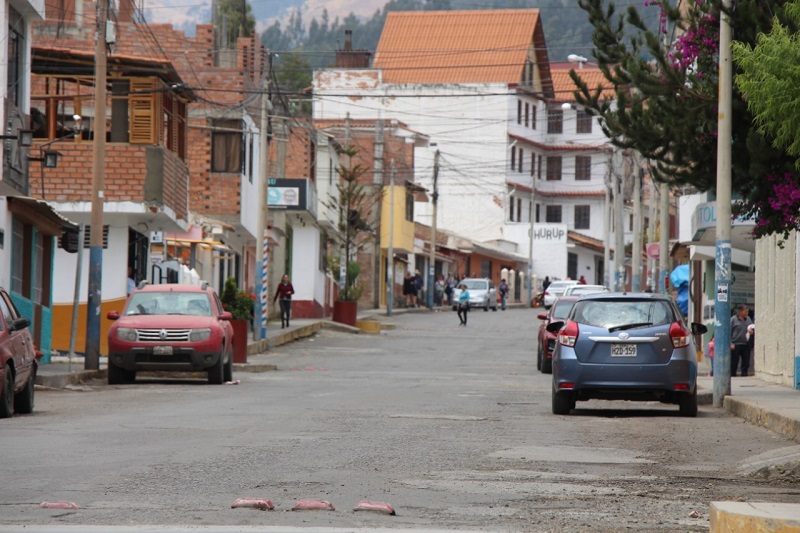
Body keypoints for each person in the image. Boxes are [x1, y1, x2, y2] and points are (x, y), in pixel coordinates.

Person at [730, 304, 754, 377]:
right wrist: (730, 343)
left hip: (745, 344)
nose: (747, 313)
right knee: (734, 362)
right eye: (745, 312)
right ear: (740, 312)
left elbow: (752, 328)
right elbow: (729, 331)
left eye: (747, 312)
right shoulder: (733, 320)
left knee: (746, 362)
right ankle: (733, 374)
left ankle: (744, 374)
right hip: (735, 344)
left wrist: (752, 332)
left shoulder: (748, 319)